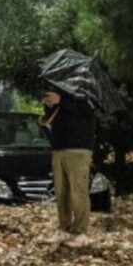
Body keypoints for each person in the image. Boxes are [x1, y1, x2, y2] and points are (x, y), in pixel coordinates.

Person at [40, 87, 94, 237]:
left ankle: (80, 231)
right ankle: (64, 227)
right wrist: (49, 105)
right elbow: (54, 116)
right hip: (59, 147)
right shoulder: (60, 89)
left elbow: (85, 110)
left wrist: (61, 100)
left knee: (77, 191)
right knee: (61, 191)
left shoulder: (87, 91)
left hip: (78, 148)